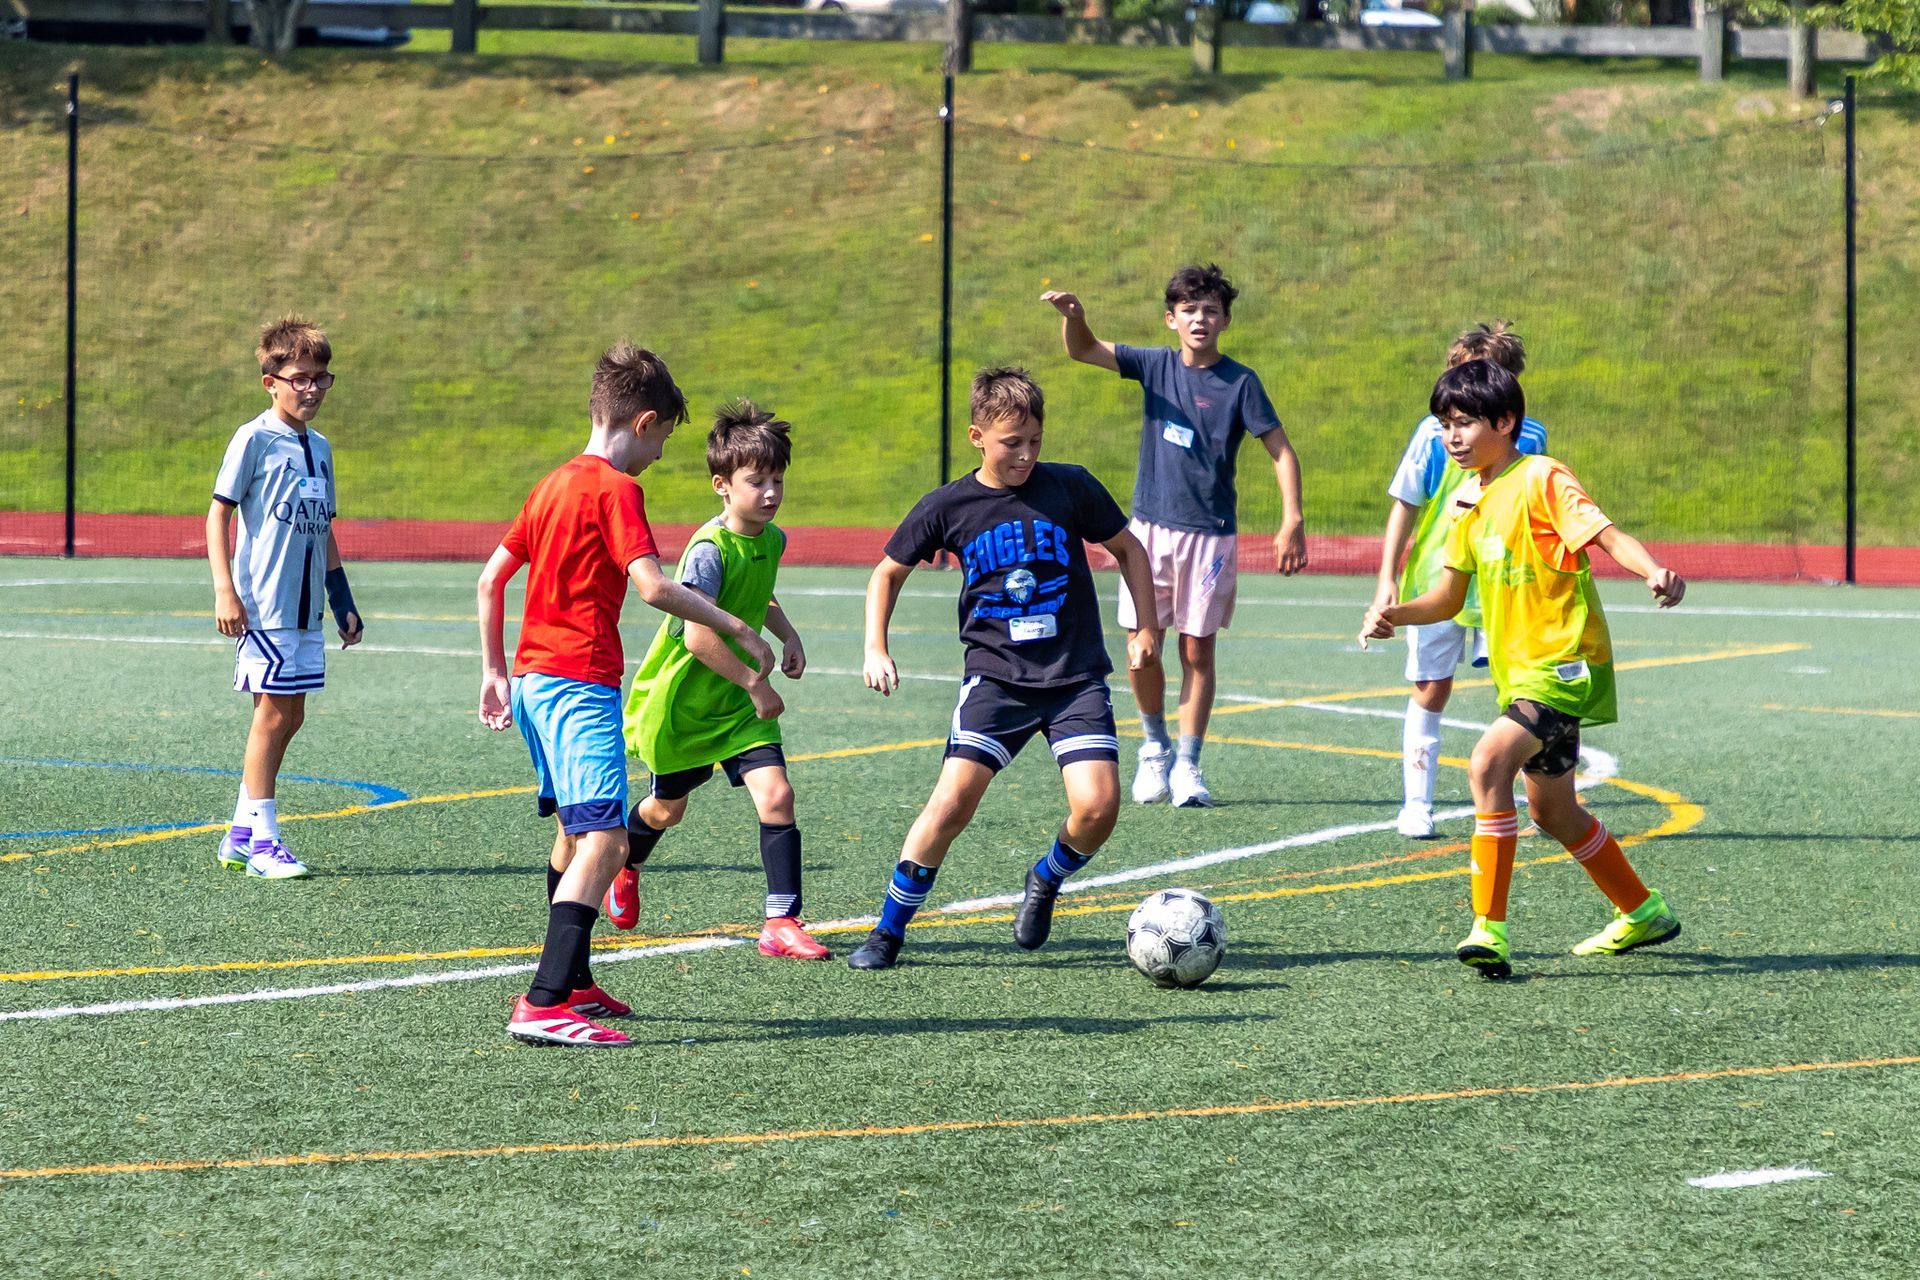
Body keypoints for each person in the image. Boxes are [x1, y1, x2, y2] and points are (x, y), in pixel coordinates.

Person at [477, 343, 775, 1048]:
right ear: (644, 422)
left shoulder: (549, 484)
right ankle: (545, 1001)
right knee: (608, 841)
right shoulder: (616, 489)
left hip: (531, 683)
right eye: (665, 439)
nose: (662, 456)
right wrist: (737, 626)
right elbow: (652, 586)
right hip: (578, 683)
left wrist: (493, 670)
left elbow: (491, 579)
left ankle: (574, 980)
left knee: (573, 834)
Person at [1361, 359, 1685, 979]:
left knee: (1486, 763)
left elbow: (1605, 534)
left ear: (1506, 421)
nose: (1451, 437)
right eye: (1444, 425)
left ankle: (1490, 929)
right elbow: (1449, 600)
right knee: (1553, 813)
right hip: (1522, 675)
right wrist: (1394, 613)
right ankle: (1643, 911)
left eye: (1463, 424)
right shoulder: (1467, 503)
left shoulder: (1541, 476)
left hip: (1566, 664)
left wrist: (1652, 571)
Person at [846, 367, 1158, 971]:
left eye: (1034, 441)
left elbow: (1130, 550)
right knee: (952, 803)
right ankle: (888, 930)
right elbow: (887, 572)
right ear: (976, 436)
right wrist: (874, 647)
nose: (1025, 454)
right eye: (1011, 442)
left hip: (1073, 678)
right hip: (996, 679)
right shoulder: (949, 505)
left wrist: (1145, 627)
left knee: (1097, 809)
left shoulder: (1071, 487)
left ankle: (1045, 878)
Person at [1043, 264, 1305, 809]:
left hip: (1210, 538)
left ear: (1226, 320)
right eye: (1189, 310)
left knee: (1196, 650)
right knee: (1142, 649)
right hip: (1149, 533)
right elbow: (1083, 350)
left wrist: (1292, 518)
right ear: (1171, 319)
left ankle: (1188, 762)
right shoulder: (1154, 365)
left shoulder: (1241, 383)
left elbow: (1280, 450)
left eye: (1210, 310)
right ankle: (1154, 748)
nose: (1200, 318)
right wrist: (1075, 317)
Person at [616, 400, 828, 961]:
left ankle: (781, 920)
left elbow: (762, 593)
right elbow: (698, 638)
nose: (770, 493)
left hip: (735, 707)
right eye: (756, 481)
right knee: (667, 810)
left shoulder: (772, 538)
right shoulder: (709, 550)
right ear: (721, 485)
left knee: (777, 794)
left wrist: (788, 634)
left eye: (777, 480)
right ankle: (626, 864)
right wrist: (756, 684)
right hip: (686, 702)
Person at [1369, 322, 1546, 838]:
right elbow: (1405, 506)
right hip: (1436, 580)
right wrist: (1386, 579)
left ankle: (1521, 794)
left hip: (1503, 584)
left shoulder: (1530, 437)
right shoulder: (1431, 436)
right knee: (1430, 688)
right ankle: (1417, 804)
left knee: (1520, 690)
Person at [207, 315, 363, 881]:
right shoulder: (253, 438)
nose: (312, 388)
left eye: (322, 377)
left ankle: (241, 831)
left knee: (289, 715)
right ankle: (263, 842)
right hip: (264, 606)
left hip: (306, 612)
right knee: (273, 716)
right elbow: (218, 512)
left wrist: (341, 597)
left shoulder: (319, 447)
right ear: (270, 380)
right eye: (300, 376)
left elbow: (323, 530)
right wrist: (226, 591)